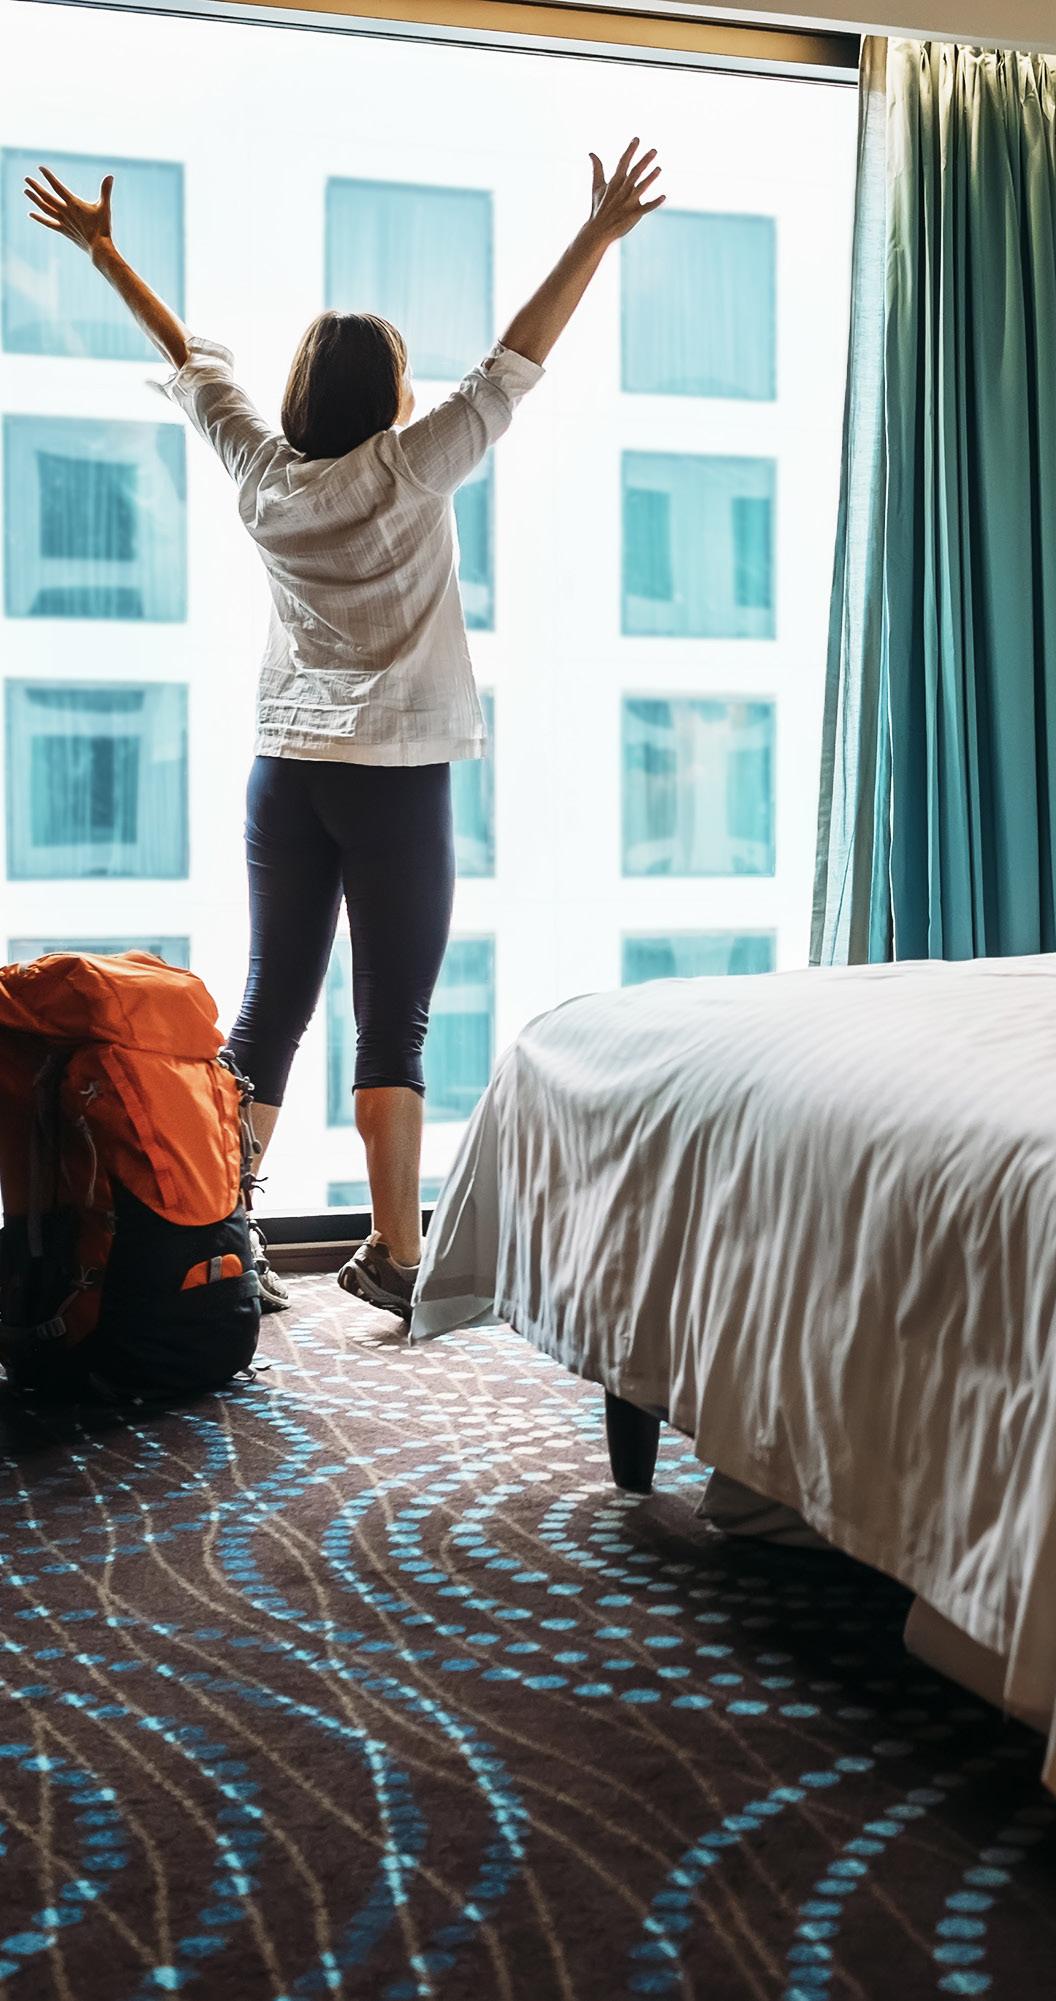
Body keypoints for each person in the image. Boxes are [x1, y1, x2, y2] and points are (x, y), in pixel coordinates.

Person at [24, 139, 664, 1319]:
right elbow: (513, 364)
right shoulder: (410, 468)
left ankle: (219, 1243)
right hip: (393, 776)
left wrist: (107, 257)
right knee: (393, 1025)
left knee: (270, 1006)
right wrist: (596, 233)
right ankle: (396, 1257)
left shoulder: (261, 474)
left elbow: (191, 362)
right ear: (389, 397)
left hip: (284, 772)